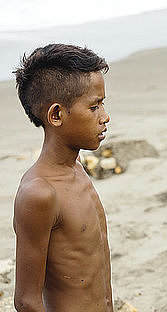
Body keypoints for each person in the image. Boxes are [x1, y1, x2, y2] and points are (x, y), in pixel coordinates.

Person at [13, 44, 113, 312]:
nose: (105, 117)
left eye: (103, 104)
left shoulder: (76, 168)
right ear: (56, 115)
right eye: (94, 107)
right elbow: (26, 301)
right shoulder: (40, 193)